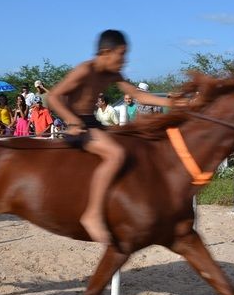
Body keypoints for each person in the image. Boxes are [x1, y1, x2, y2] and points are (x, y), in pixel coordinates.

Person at [48, 29, 177, 243]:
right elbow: (53, 97)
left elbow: (137, 95)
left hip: (94, 123)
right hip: (77, 126)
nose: (125, 61)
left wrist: (172, 103)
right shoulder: (84, 70)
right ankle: (92, 215)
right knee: (116, 154)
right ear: (106, 52)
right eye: (122, 54)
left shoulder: (112, 74)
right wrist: (71, 120)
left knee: (134, 144)